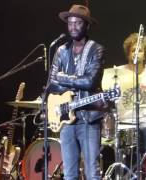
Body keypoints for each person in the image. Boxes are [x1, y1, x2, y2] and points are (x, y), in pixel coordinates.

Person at [48, 4, 106, 179]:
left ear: (86, 25)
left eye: (78, 23)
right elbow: (52, 83)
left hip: (88, 119)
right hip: (66, 119)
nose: (73, 27)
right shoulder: (60, 51)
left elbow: (89, 82)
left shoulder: (96, 49)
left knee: (92, 173)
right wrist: (72, 81)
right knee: (69, 174)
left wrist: (64, 78)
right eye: (70, 23)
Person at [115, 33, 146, 155]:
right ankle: (124, 172)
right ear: (128, 53)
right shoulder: (118, 72)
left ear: (145, 54)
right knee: (127, 154)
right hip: (124, 121)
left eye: (140, 51)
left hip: (144, 119)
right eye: (133, 50)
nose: (136, 53)